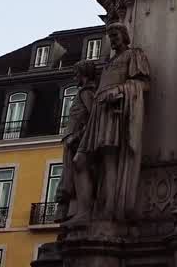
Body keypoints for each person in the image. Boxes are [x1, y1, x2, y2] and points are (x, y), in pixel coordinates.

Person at [71, 23, 150, 223]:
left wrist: (120, 91)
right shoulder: (107, 62)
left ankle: (109, 210)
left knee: (109, 161)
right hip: (98, 113)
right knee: (80, 161)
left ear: (124, 36)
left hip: (113, 113)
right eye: (110, 36)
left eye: (115, 35)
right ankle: (84, 211)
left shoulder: (133, 55)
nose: (112, 39)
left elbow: (143, 83)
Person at [56, 60, 98, 223]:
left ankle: (83, 212)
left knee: (78, 172)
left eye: (77, 74)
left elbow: (94, 116)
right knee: (70, 176)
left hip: (78, 140)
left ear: (84, 74)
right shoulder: (83, 92)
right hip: (72, 140)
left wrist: (78, 135)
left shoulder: (86, 92)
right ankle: (72, 212)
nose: (75, 78)